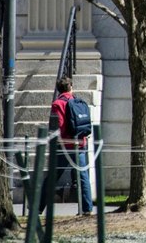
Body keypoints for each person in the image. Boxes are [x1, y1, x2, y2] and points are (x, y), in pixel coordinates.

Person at [48, 76, 93, 216]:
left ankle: (37, 206)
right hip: (80, 143)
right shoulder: (77, 101)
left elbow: (59, 126)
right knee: (83, 175)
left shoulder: (57, 104)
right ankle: (87, 209)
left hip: (65, 145)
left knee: (53, 176)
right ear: (71, 87)